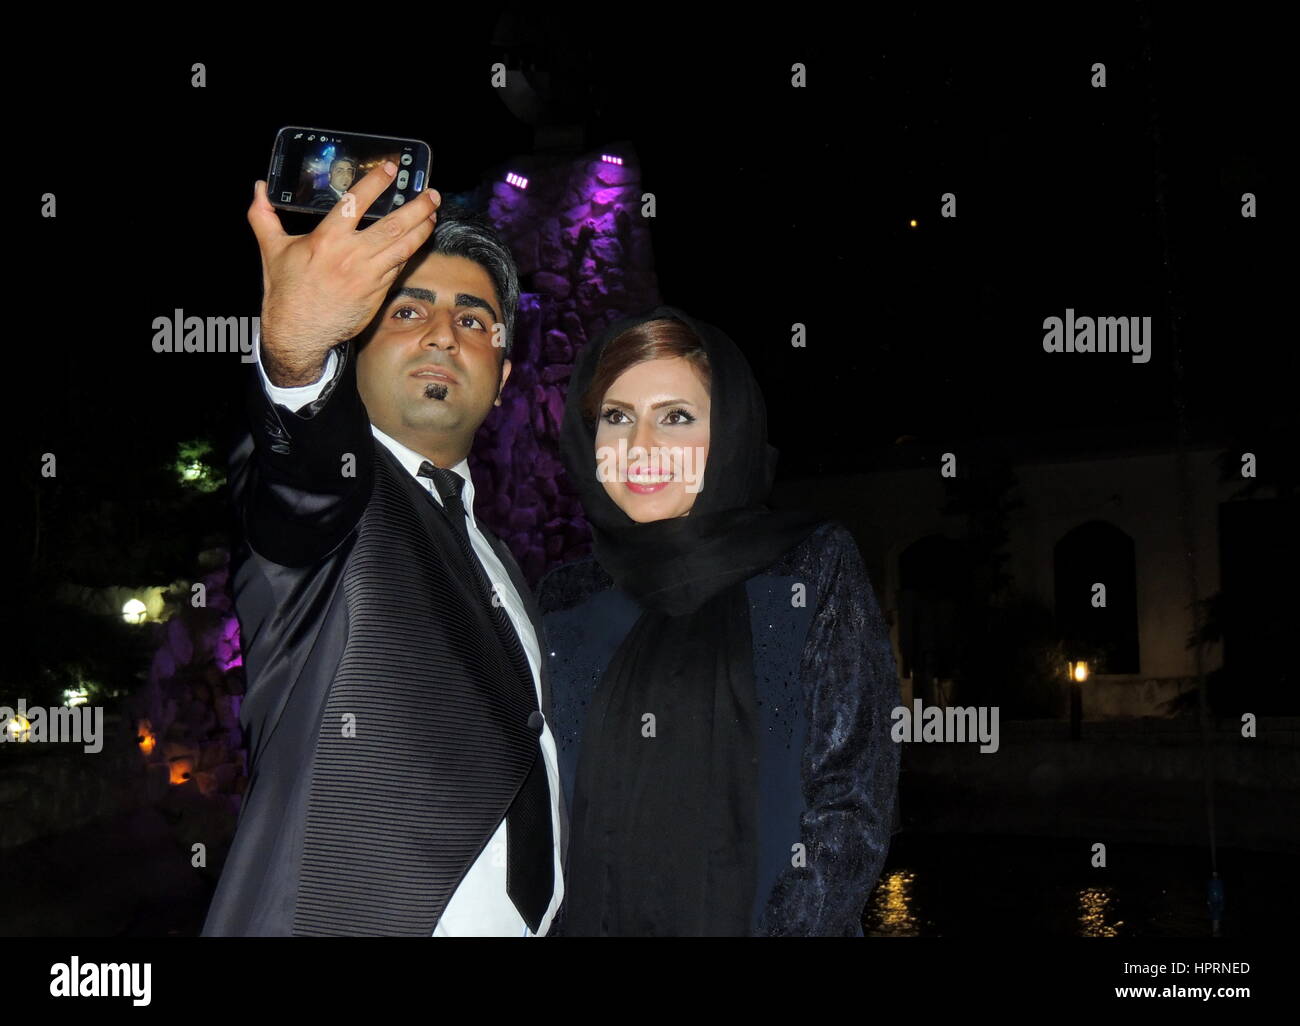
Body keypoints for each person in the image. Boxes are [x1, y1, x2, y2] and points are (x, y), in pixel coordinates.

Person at [201, 161, 564, 936]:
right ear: (355, 343)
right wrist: (296, 350)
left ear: (502, 377)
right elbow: (296, 474)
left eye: (475, 320)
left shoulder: (501, 564)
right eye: (407, 311)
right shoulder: (338, 504)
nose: (443, 332)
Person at [536, 307, 900, 936]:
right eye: (616, 417)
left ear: (728, 430)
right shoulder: (566, 597)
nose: (640, 447)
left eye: (676, 417)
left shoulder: (808, 567)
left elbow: (851, 802)